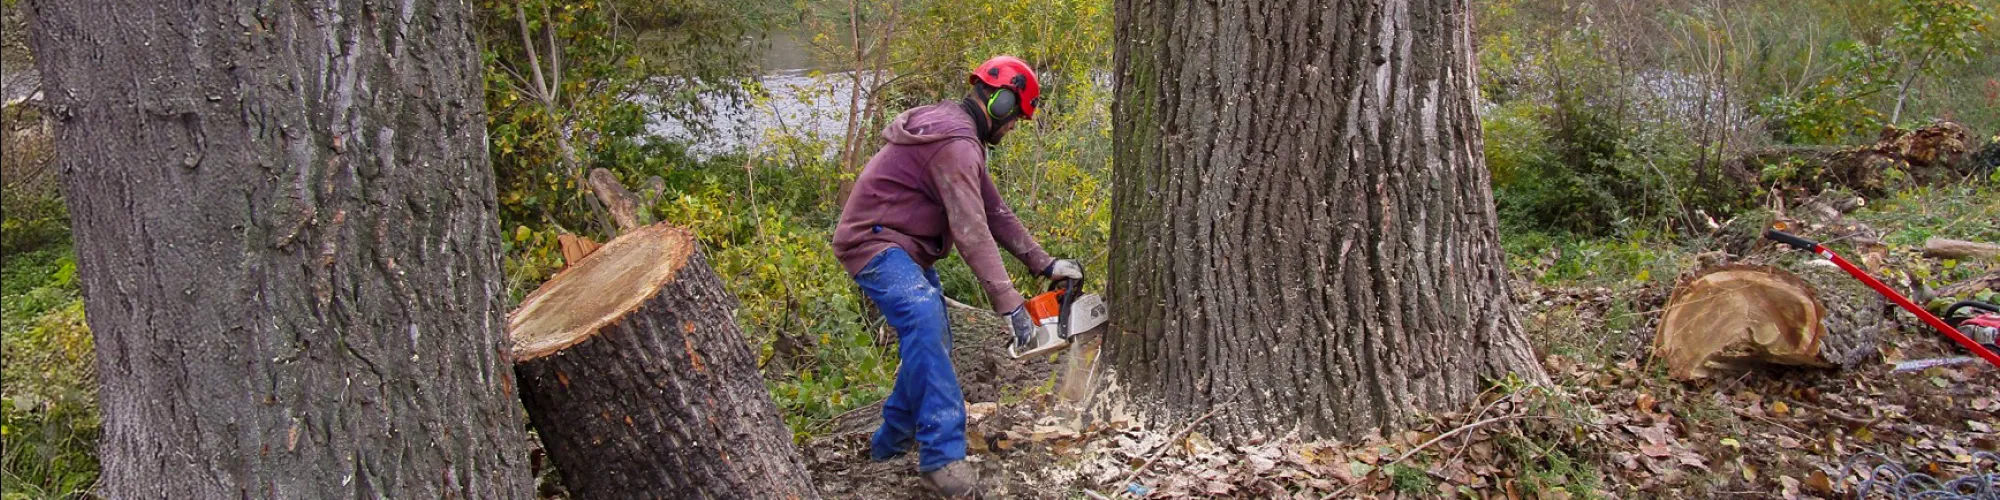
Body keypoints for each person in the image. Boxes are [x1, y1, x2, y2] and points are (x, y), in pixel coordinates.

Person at [831, 55, 1083, 497]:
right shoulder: (957, 145)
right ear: (1002, 103)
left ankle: (889, 445)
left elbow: (994, 212)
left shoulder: (960, 135)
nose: (1013, 128)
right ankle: (941, 461)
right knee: (926, 321)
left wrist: (1044, 263)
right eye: (1016, 118)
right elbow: (971, 232)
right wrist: (1009, 305)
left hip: (903, 247)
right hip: (874, 243)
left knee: (931, 337)